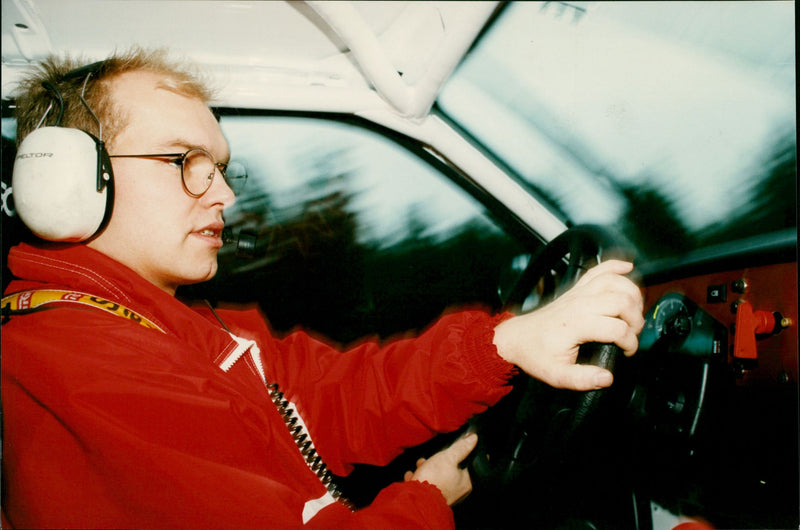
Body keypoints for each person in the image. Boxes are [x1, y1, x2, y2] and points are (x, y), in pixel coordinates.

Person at [0, 49, 644, 529]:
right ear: (67, 182)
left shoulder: (171, 326)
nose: (223, 194)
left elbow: (332, 400)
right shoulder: (83, 364)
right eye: (185, 162)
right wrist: (425, 502)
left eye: (222, 168)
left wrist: (501, 345)